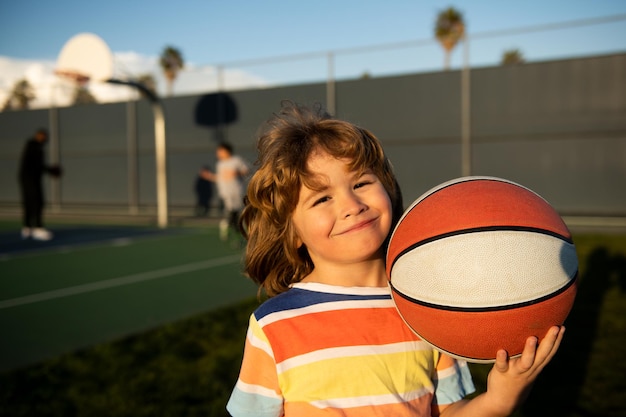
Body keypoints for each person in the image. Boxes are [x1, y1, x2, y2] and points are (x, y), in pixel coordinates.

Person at [226, 101, 564, 417]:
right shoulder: (274, 324)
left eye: (361, 182)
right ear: (292, 232)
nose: (351, 205)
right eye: (322, 198)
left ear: (387, 188)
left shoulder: (433, 307)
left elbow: (448, 410)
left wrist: (498, 400)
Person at [18, 128, 61, 241]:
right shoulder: (34, 147)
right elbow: (38, 165)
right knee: (36, 202)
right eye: (43, 136)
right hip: (30, 179)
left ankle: (27, 228)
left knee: (30, 202)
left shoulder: (33, 147)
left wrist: (50, 170)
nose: (45, 139)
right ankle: (37, 228)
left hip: (28, 179)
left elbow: (38, 165)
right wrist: (51, 170)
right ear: (39, 136)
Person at [205, 142, 249, 241]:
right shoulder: (220, 164)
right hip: (225, 193)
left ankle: (235, 229)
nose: (218, 153)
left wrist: (237, 172)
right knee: (230, 211)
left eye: (220, 151)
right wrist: (209, 176)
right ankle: (231, 228)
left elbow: (246, 170)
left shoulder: (236, 160)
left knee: (237, 212)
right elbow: (220, 178)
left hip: (236, 191)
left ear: (226, 151)